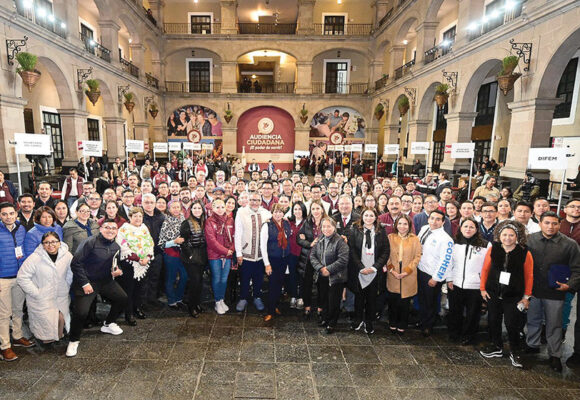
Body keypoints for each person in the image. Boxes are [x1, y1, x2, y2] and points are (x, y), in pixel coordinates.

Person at [525, 211, 580, 372]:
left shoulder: (570, 244)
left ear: (559, 224)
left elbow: (577, 269)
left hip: (555, 292)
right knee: (533, 319)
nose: (550, 226)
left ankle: (555, 354)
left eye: (554, 223)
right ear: (540, 223)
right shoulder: (530, 239)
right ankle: (532, 344)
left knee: (554, 324)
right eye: (547, 223)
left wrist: (569, 285)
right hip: (533, 289)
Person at [66, 219, 127, 357]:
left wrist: (118, 270)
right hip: (87, 282)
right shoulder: (90, 242)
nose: (110, 230)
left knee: (122, 298)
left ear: (117, 231)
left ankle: (108, 323)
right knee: (81, 313)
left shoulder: (116, 247)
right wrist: (84, 283)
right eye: (107, 227)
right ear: (100, 229)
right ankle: (73, 340)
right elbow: (76, 264)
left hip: (105, 281)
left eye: (114, 228)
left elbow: (116, 264)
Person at [479, 220, 533, 369]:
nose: (507, 238)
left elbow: (529, 276)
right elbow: (485, 270)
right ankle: (496, 346)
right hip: (493, 294)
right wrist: (483, 289)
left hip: (513, 296)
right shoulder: (493, 249)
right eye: (504, 234)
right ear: (499, 235)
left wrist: (526, 297)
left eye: (511, 235)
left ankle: (515, 351)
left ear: (517, 237)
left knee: (511, 324)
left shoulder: (524, 252)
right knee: (493, 321)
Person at [17, 232, 73, 344]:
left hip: (60, 294)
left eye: (53, 242)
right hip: (42, 296)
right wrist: (36, 293)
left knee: (61, 318)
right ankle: (46, 338)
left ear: (59, 243)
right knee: (47, 328)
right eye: (46, 242)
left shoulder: (67, 256)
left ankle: (58, 335)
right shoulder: (35, 258)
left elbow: (70, 274)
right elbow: (22, 277)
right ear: (42, 244)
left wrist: (66, 286)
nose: (50, 245)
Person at [447, 218, 490, 345]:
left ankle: (468, 335)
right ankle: (454, 333)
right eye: (465, 226)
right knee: (455, 311)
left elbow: (487, 267)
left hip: (475, 285)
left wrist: (483, 284)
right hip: (455, 283)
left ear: (476, 229)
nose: (468, 229)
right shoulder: (454, 243)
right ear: (460, 228)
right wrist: (449, 278)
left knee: (473, 313)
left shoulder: (485, 245)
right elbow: (448, 262)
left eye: (472, 227)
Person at [0, 202, 34, 361]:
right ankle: (5, 346)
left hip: (19, 276)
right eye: (4, 214)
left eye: (11, 213)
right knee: (4, 314)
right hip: (3, 279)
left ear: (16, 214)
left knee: (18, 309)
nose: (8, 217)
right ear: (0, 215)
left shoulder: (22, 229)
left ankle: (17, 336)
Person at [348, 207, 389, 334]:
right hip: (359, 269)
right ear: (362, 217)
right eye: (366, 215)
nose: (368, 218)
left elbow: (385, 251)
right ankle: (358, 319)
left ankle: (369, 321)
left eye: (371, 216)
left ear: (376, 217)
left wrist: (374, 267)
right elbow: (352, 250)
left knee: (372, 298)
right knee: (359, 296)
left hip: (374, 270)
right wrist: (361, 267)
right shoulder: (355, 229)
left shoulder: (381, 231)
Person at [416, 209, 454, 336]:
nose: (434, 221)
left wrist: (436, 278)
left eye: (438, 219)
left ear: (443, 222)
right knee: (422, 299)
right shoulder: (424, 228)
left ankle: (428, 325)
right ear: (428, 219)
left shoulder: (446, 239)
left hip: (432, 275)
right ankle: (422, 321)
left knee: (430, 302)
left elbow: (446, 261)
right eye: (432, 218)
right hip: (420, 270)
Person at [310, 217, 349, 334]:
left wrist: (329, 269)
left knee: (333, 302)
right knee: (324, 299)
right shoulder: (320, 239)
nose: (326, 229)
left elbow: (343, 259)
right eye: (324, 227)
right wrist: (321, 268)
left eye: (329, 226)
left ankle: (332, 323)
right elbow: (312, 256)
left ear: (334, 227)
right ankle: (325, 319)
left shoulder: (340, 241)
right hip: (322, 275)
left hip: (336, 277)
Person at [116, 207, 154, 326]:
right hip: (129, 264)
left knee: (140, 288)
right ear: (130, 217)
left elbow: (150, 243)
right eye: (135, 216)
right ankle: (129, 314)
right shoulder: (124, 229)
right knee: (129, 290)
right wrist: (137, 259)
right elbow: (123, 247)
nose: (138, 218)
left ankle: (137, 309)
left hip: (144, 262)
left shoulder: (144, 228)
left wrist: (147, 257)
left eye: (140, 216)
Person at [234, 192, 271, 312]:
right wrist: (239, 252)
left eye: (257, 200)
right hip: (246, 252)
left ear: (261, 201)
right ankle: (243, 297)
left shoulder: (266, 213)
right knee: (244, 277)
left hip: (260, 254)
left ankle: (257, 297)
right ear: (248, 200)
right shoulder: (241, 212)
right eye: (252, 200)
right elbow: (238, 233)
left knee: (258, 277)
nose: (255, 202)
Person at [386, 214, 421, 334]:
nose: (402, 226)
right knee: (393, 301)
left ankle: (402, 324)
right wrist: (392, 270)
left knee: (405, 302)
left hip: (408, 273)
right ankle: (392, 322)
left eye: (405, 224)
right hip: (393, 272)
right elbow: (386, 255)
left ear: (409, 225)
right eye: (400, 223)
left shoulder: (415, 239)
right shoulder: (390, 237)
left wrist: (407, 271)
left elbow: (417, 256)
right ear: (396, 225)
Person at [260, 204, 292, 322]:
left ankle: (275, 306)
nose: (278, 214)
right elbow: (263, 246)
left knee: (280, 285)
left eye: (280, 212)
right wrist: (266, 264)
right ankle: (270, 311)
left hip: (284, 259)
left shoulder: (286, 224)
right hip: (272, 260)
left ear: (283, 213)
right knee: (273, 285)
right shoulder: (267, 225)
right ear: (271, 213)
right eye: (275, 212)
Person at [297, 200, 327, 319]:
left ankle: (320, 309)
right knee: (306, 284)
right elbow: (299, 238)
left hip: (323, 258)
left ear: (322, 209)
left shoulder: (328, 221)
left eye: (317, 208)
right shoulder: (307, 222)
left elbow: (333, 237)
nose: (315, 211)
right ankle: (307, 308)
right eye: (313, 209)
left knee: (322, 284)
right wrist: (309, 243)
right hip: (308, 257)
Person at [205, 199, 235, 314]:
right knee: (217, 278)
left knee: (224, 279)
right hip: (215, 255)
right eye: (217, 207)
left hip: (227, 254)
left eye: (222, 207)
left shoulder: (230, 220)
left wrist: (231, 249)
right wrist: (225, 251)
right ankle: (217, 301)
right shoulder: (209, 221)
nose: (220, 209)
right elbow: (211, 241)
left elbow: (234, 236)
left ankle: (222, 299)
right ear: (212, 208)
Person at [180, 201, 207, 318]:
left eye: (199, 208)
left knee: (200, 281)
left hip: (201, 254)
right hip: (191, 255)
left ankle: (197, 303)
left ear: (202, 210)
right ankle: (191, 306)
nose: (197, 210)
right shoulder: (187, 223)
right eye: (194, 208)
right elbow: (183, 241)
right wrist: (190, 255)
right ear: (191, 210)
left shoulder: (203, 222)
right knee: (194, 281)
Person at [158, 201, 187, 309]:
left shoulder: (184, 219)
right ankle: (171, 301)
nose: (175, 209)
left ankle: (179, 298)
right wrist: (174, 241)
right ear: (169, 209)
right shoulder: (166, 221)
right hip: (170, 253)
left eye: (177, 207)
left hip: (183, 253)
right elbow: (161, 242)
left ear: (181, 208)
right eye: (173, 207)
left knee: (184, 276)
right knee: (171, 278)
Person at [141, 193, 165, 309]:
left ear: (155, 203)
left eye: (151, 202)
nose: (149, 205)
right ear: (141, 203)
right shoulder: (139, 216)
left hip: (157, 252)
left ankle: (152, 298)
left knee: (155, 276)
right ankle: (143, 301)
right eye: (146, 202)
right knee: (144, 278)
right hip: (143, 253)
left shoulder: (161, 216)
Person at [288, 201, 307, 309]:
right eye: (295, 209)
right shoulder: (289, 222)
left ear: (303, 210)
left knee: (302, 277)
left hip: (303, 254)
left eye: (300, 209)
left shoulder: (307, 222)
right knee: (292, 276)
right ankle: (294, 296)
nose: (297, 211)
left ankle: (301, 297)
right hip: (291, 254)